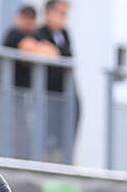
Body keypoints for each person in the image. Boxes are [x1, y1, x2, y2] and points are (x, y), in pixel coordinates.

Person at [34, 0, 77, 161]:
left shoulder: (64, 34)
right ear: (49, 13)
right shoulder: (40, 32)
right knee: (47, 134)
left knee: (65, 132)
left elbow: (67, 57)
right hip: (48, 93)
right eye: (61, 13)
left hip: (64, 94)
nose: (64, 18)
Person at [0, 5, 52, 90]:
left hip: (30, 89)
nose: (28, 22)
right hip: (12, 88)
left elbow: (53, 53)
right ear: (18, 18)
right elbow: (28, 49)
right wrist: (40, 51)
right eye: (26, 18)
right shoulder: (13, 34)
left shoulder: (38, 35)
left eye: (31, 19)